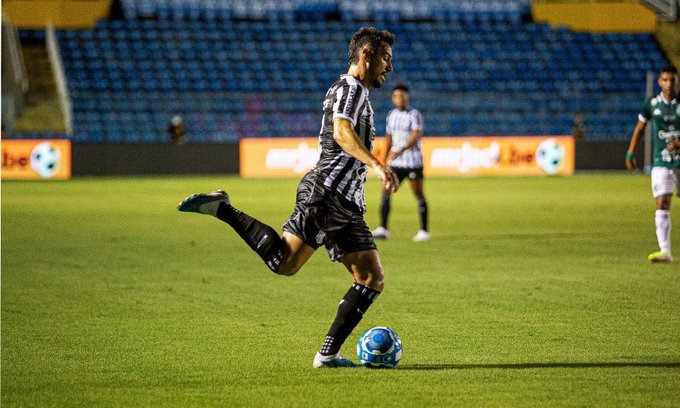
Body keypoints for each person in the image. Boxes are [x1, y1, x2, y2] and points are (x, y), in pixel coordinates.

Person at [177, 27, 398, 367]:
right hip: (328, 194)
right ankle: (223, 210)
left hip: (342, 201)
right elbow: (341, 132)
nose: (389, 67)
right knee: (297, 265)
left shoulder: (357, 93)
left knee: (358, 275)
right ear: (366, 55)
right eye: (385, 58)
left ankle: (327, 355)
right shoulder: (349, 88)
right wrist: (378, 166)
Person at [625, 64, 680, 263]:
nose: (668, 84)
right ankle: (665, 251)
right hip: (661, 161)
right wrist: (630, 153)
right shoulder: (651, 104)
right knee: (662, 203)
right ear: (659, 82)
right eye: (665, 80)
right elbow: (640, 129)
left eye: (672, 80)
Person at [372, 84, 430, 242]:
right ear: (393, 98)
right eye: (397, 96)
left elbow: (416, 135)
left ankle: (424, 231)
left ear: (408, 97)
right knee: (385, 190)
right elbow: (388, 138)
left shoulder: (414, 114)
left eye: (403, 96)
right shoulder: (391, 115)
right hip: (396, 163)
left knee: (418, 194)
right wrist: (384, 160)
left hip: (413, 162)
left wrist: (401, 149)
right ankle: (383, 228)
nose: (401, 99)